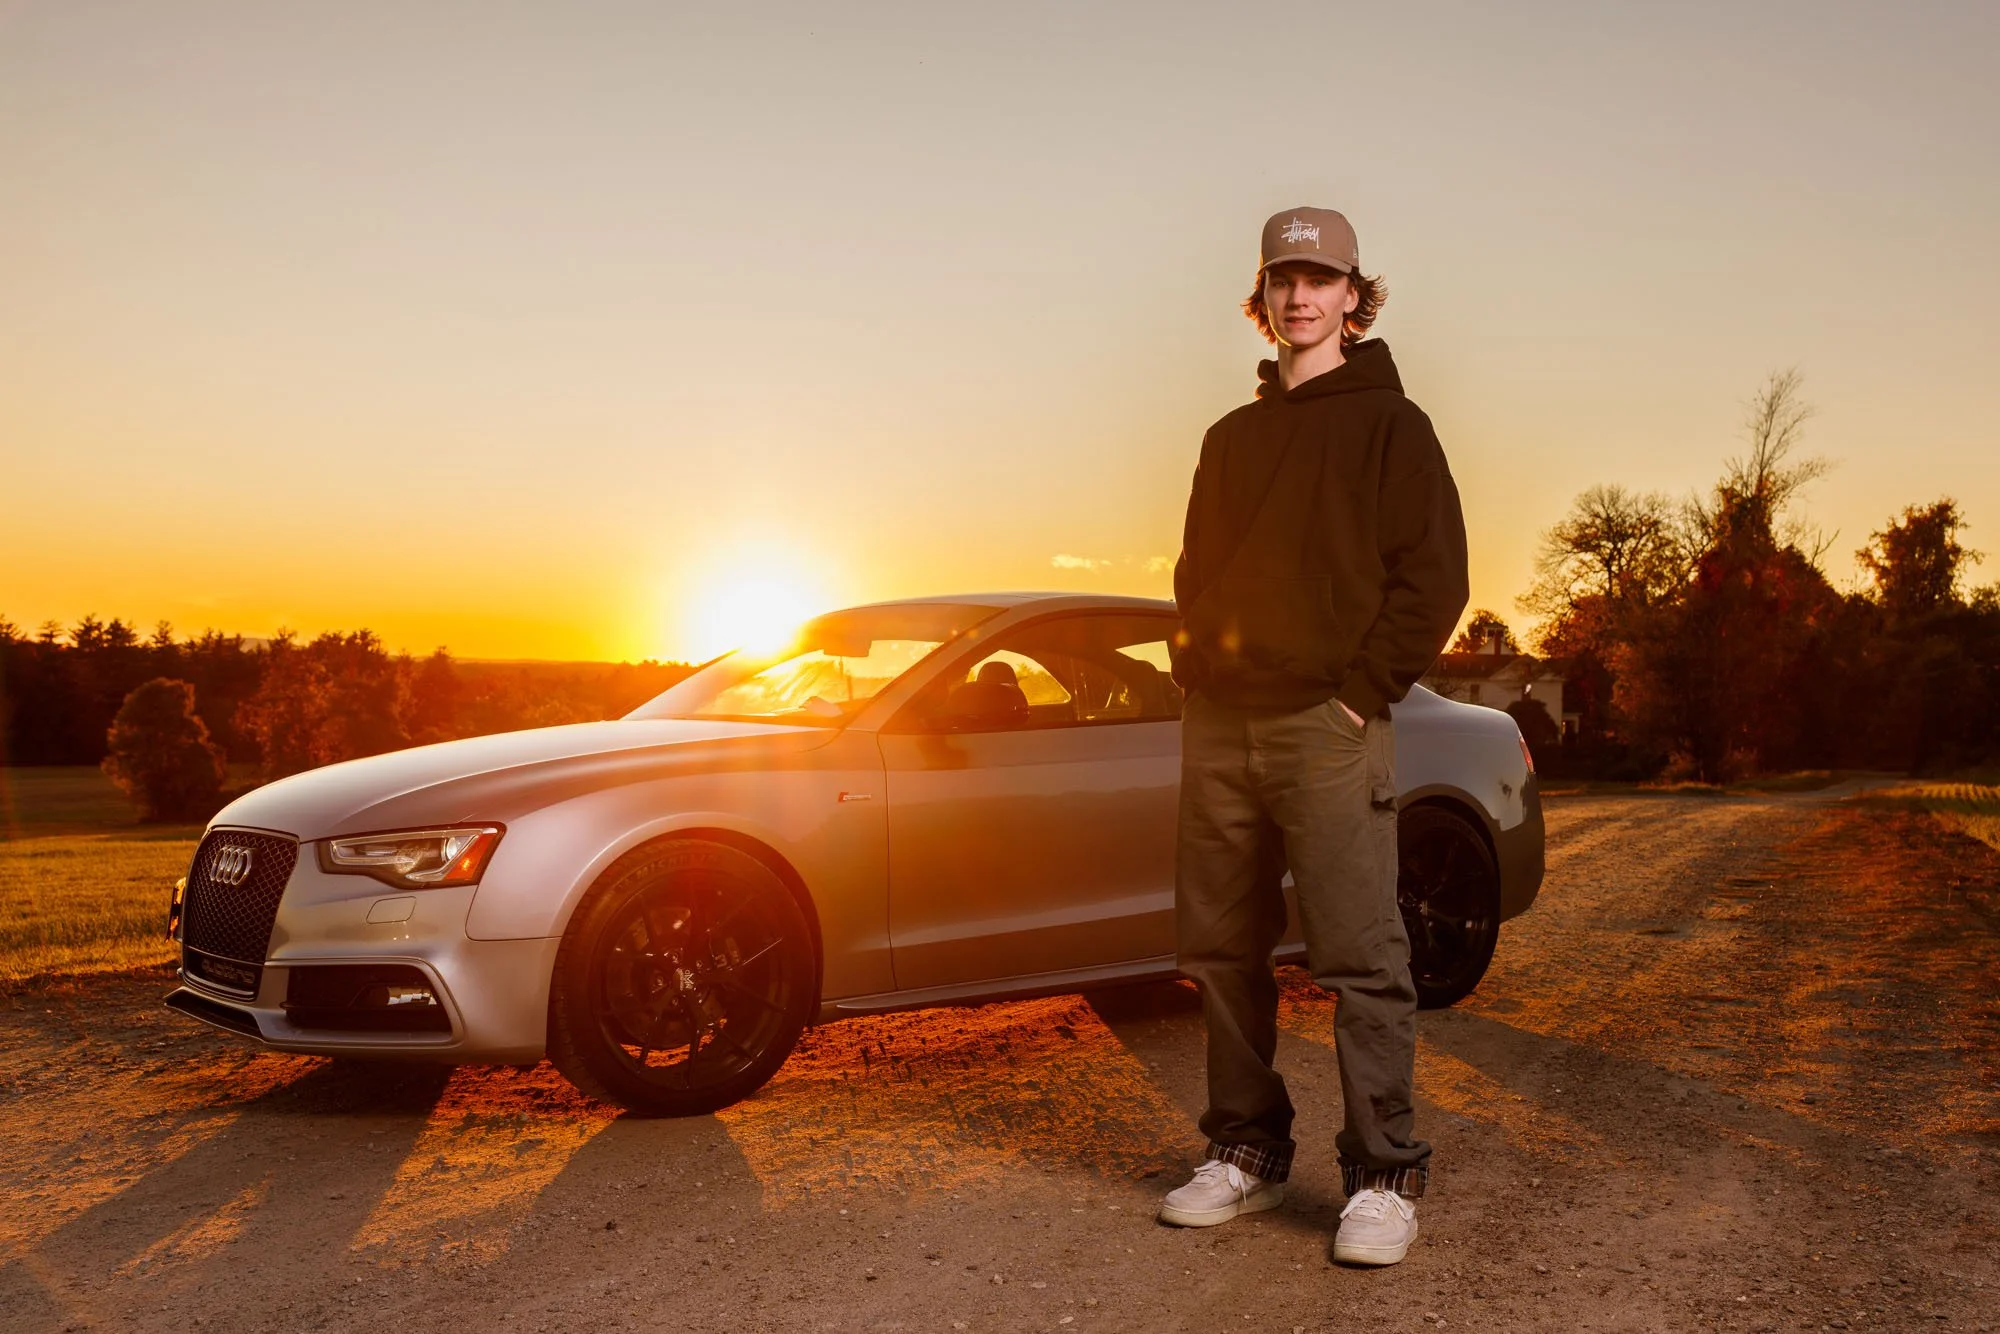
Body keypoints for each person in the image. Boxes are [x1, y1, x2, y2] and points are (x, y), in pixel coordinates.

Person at [1161, 206, 1469, 1267]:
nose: (1299, 297)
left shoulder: (1393, 426)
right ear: (1263, 296)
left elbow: (1432, 580)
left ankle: (1381, 1174)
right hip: (1221, 724)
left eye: (1320, 279)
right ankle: (1243, 1150)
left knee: (1358, 953)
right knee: (1218, 947)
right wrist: (1193, 665)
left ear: (1352, 295)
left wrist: (1356, 694)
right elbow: (1192, 572)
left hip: (1324, 725)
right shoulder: (1228, 438)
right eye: (1282, 279)